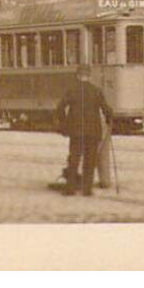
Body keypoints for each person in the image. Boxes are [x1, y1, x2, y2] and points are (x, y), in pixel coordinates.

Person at [54, 65, 112, 196]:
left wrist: (64, 123)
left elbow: (60, 108)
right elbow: (106, 109)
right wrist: (109, 118)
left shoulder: (72, 90)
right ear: (89, 76)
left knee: (74, 158)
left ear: (77, 75)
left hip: (76, 132)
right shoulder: (96, 91)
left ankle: (70, 189)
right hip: (93, 132)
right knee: (90, 160)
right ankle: (87, 189)